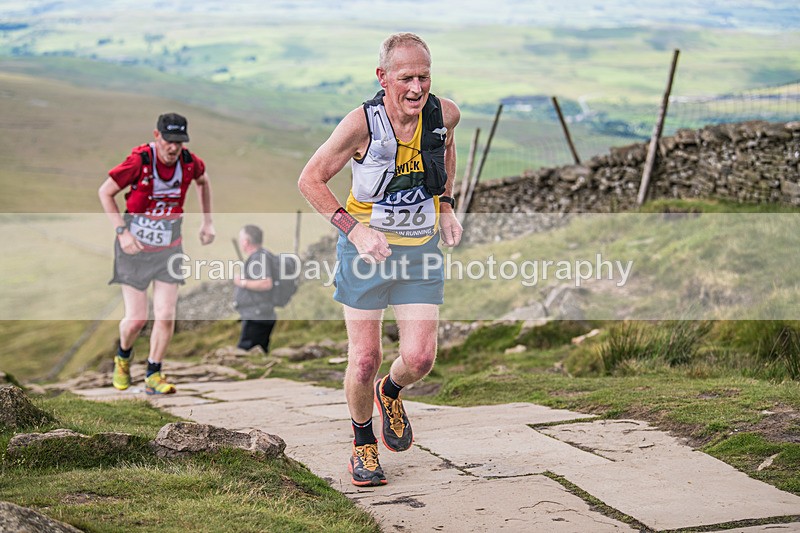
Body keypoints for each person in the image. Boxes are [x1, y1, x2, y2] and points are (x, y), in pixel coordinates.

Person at [298, 32, 462, 486]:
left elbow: (447, 148)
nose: (416, 88)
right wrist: (357, 231)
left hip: (419, 252)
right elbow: (310, 180)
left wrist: (445, 205)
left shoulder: (444, 114)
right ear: (383, 77)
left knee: (420, 358)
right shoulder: (361, 125)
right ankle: (363, 443)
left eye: (423, 77)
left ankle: (390, 392)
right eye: (405, 77)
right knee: (365, 358)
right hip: (365, 254)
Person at [98, 112, 215, 395]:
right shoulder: (139, 161)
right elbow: (105, 192)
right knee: (137, 319)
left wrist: (207, 220)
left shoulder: (189, 163)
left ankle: (154, 373)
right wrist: (122, 233)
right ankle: (123, 355)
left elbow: (204, 180)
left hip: (169, 249)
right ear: (156, 136)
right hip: (133, 249)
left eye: (179, 141)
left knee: (165, 315)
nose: (173, 148)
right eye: (168, 141)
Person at [232, 224, 277, 353]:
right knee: (259, 351)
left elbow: (266, 283)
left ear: (246, 241)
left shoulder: (258, 258)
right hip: (259, 313)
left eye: (241, 239)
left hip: (257, 316)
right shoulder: (263, 255)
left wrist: (242, 283)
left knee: (245, 353)